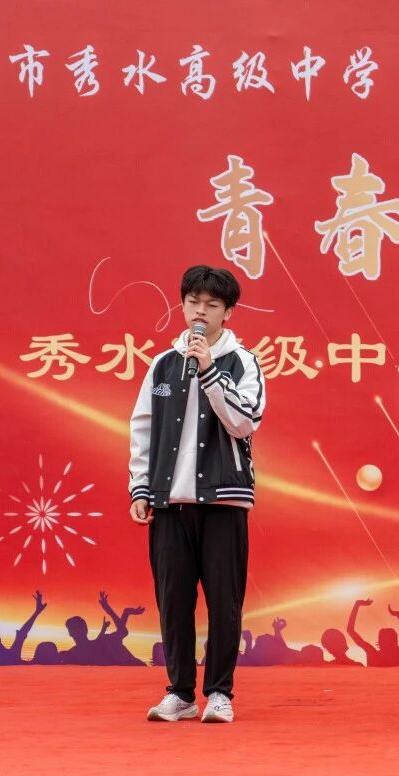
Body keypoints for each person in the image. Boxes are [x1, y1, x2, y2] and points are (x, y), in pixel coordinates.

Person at [128, 265, 265, 723]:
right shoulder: (163, 364)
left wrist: (209, 371)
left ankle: (220, 692)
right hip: (170, 501)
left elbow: (244, 421)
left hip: (223, 499)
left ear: (228, 312)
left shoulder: (241, 362)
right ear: (182, 305)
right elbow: (142, 427)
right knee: (174, 600)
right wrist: (142, 487)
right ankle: (180, 692)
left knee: (224, 600)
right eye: (193, 303)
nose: (200, 312)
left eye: (211, 305)